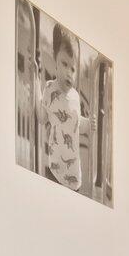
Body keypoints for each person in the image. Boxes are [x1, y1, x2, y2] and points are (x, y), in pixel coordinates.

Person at [40, 27, 91, 194]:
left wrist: (90, 124)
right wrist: (35, 81)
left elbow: (77, 125)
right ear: (55, 61)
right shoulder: (49, 88)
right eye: (64, 64)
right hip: (53, 168)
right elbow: (41, 117)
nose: (69, 72)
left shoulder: (75, 97)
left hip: (73, 174)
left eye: (73, 68)